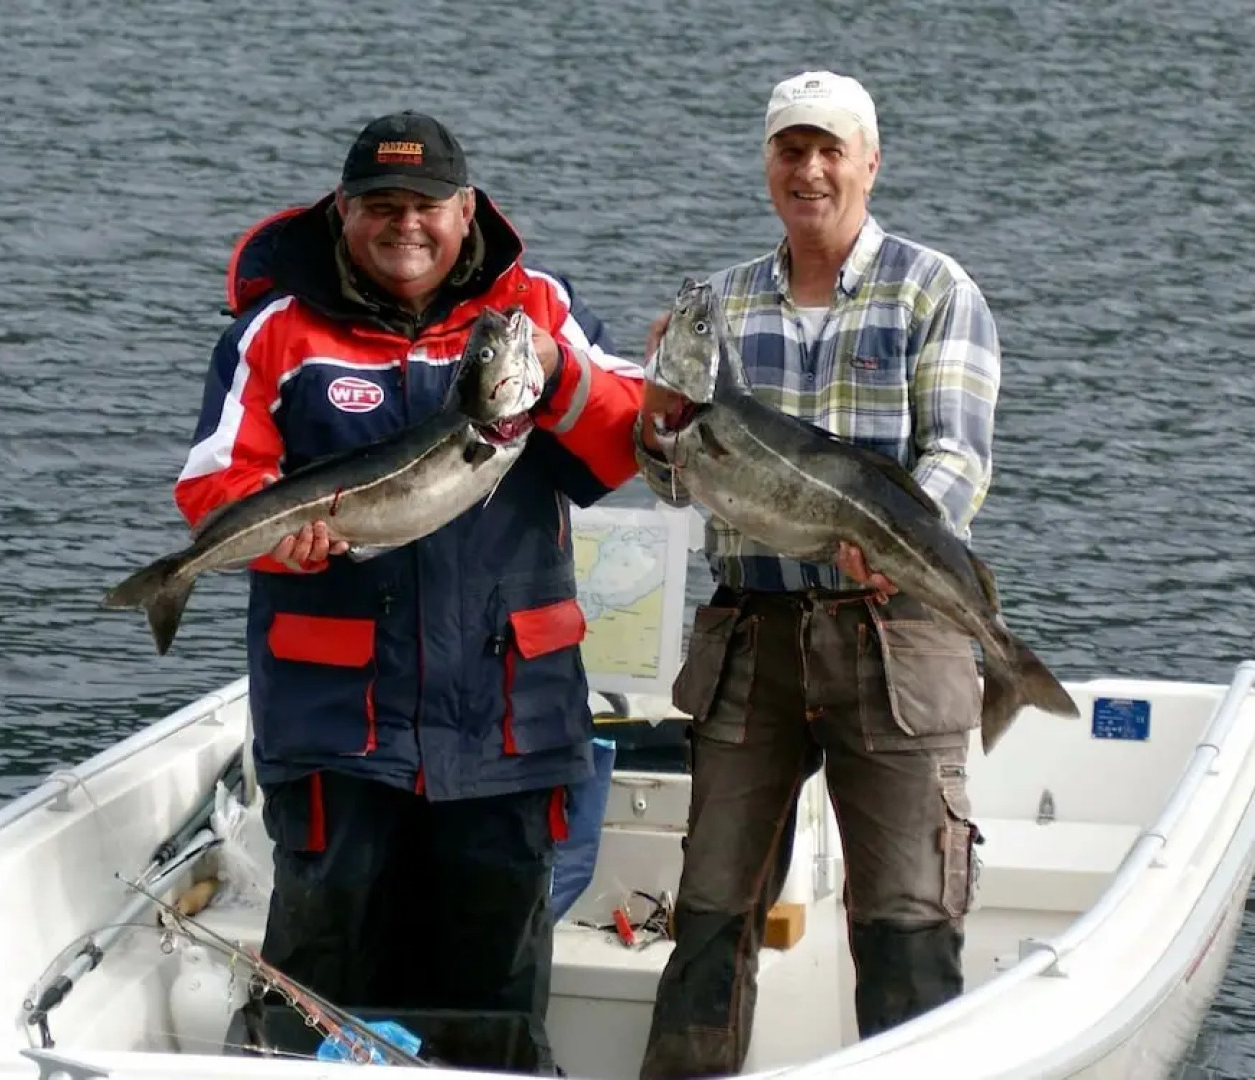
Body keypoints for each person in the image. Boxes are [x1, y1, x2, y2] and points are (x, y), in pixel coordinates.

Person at [172, 110, 645, 1069]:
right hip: (340, 728)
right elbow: (213, 481)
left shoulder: (534, 308)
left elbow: (624, 441)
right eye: (381, 206)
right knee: (320, 996)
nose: (407, 225)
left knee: (494, 1013)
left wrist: (552, 376)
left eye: (428, 205)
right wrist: (278, 537)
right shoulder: (281, 329)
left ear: (466, 211)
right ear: (343, 213)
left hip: (508, 722)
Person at [633, 71, 1002, 1077]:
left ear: (870, 161)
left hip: (896, 634)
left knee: (906, 920)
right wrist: (657, 425)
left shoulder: (935, 291)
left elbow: (958, 462)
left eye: (831, 149)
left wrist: (883, 542)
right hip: (749, 636)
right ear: (767, 166)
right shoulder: (717, 306)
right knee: (710, 908)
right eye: (791, 150)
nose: (811, 169)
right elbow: (670, 481)